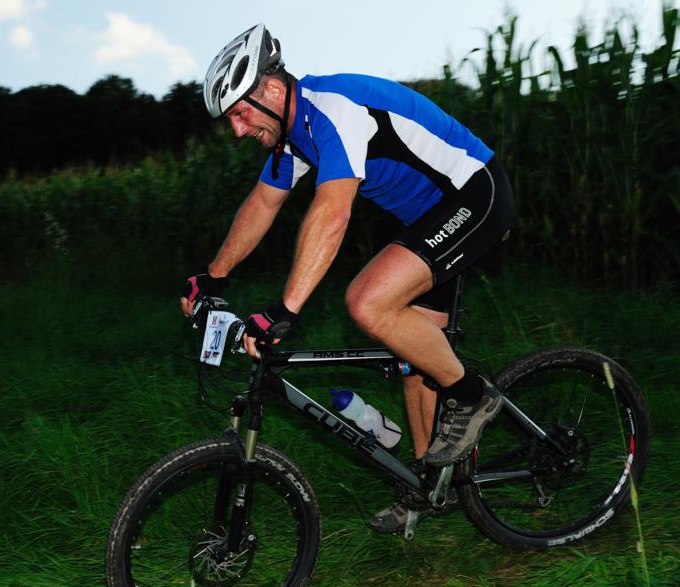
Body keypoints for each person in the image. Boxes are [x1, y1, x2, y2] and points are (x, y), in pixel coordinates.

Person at [180, 24, 514, 533]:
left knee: (366, 301)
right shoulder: (293, 138)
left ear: (272, 90)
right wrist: (213, 277)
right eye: (231, 120)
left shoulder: (334, 109)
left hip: (474, 195)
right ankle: (426, 485)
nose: (237, 131)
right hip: (430, 219)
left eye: (241, 113)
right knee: (415, 354)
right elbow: (263, 204)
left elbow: (332, 213)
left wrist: (285, 311)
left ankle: (471, 396)